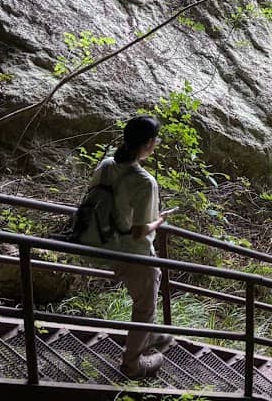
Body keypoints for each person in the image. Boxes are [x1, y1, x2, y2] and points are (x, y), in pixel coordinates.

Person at [90, 115, 173, 379]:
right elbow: (139, 231)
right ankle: (132, 364)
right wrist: (159, 221)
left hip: (103, 246)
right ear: (149, 143)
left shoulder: (105, 166)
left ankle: (153, 334)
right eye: (156, 140)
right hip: (132, 254)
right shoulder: (144, 181)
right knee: (144, 306)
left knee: (148, 292)